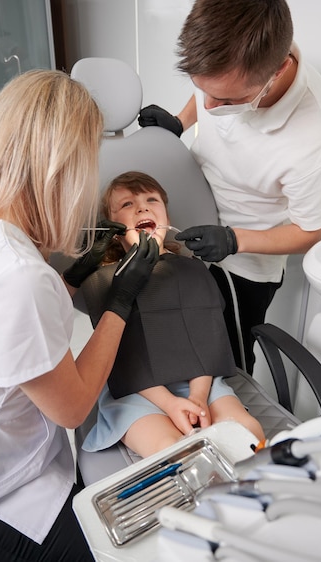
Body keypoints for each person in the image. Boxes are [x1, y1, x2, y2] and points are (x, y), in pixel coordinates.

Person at [0, 70, 159, 562]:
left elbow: (10, 330)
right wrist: (120, 301)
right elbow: (70, 408)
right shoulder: (16, 276)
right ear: (61, 168)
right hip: (2, 494)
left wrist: (72, 276)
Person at [138, 0, 321, 375]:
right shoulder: (240, 58)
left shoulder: (315, 138)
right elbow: (212, 90)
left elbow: (310, 232)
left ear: (278, 70)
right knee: (182, 340)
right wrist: (181, 123)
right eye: (205, 92)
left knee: (227, 363)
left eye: (228, 100)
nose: (211, 108)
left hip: (245, 267)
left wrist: (234, 240)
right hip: (190, 223)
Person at [81, 171, 265, 459]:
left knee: (247, 433)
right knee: (171, 451)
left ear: (166, 214)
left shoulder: (194, 270)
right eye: (127, 204)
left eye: (151, 199)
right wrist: (169, 404)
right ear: (113, 230)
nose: (142, 207)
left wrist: (198, 398)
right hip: (137, 391)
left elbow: (209, 340)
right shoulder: (103, 280)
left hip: (199, 380)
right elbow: (121, 360)